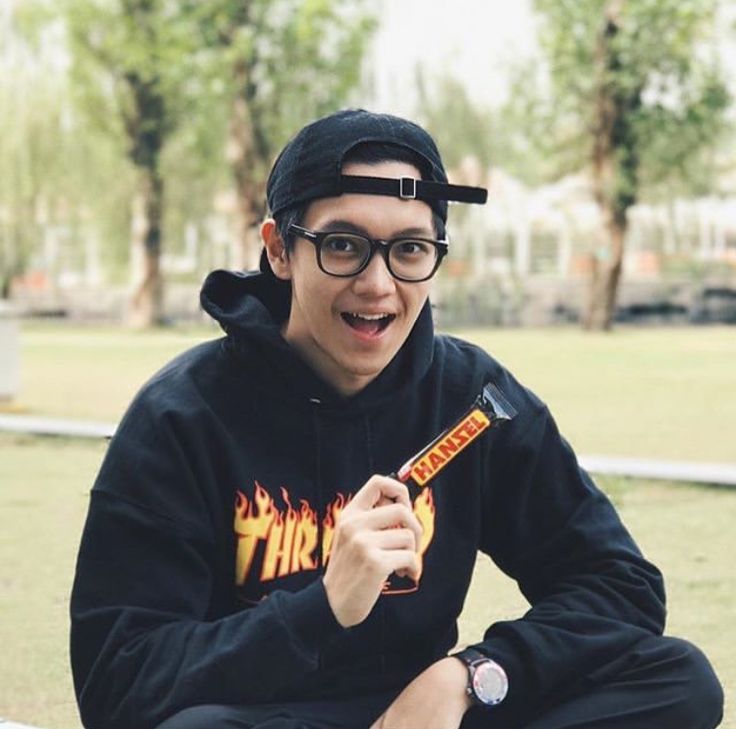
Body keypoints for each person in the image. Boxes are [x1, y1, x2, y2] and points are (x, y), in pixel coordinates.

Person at [70, 109, 724, 729]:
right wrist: (321, 610)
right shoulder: (182, 417)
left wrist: (469, 676)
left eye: (410, 249)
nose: (378, 284)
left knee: (678, 679)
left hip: (431, 715)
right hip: (265, 714)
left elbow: (620, 586)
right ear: (278, 250)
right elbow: (118, 681)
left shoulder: (471, 397)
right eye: (344, 244)